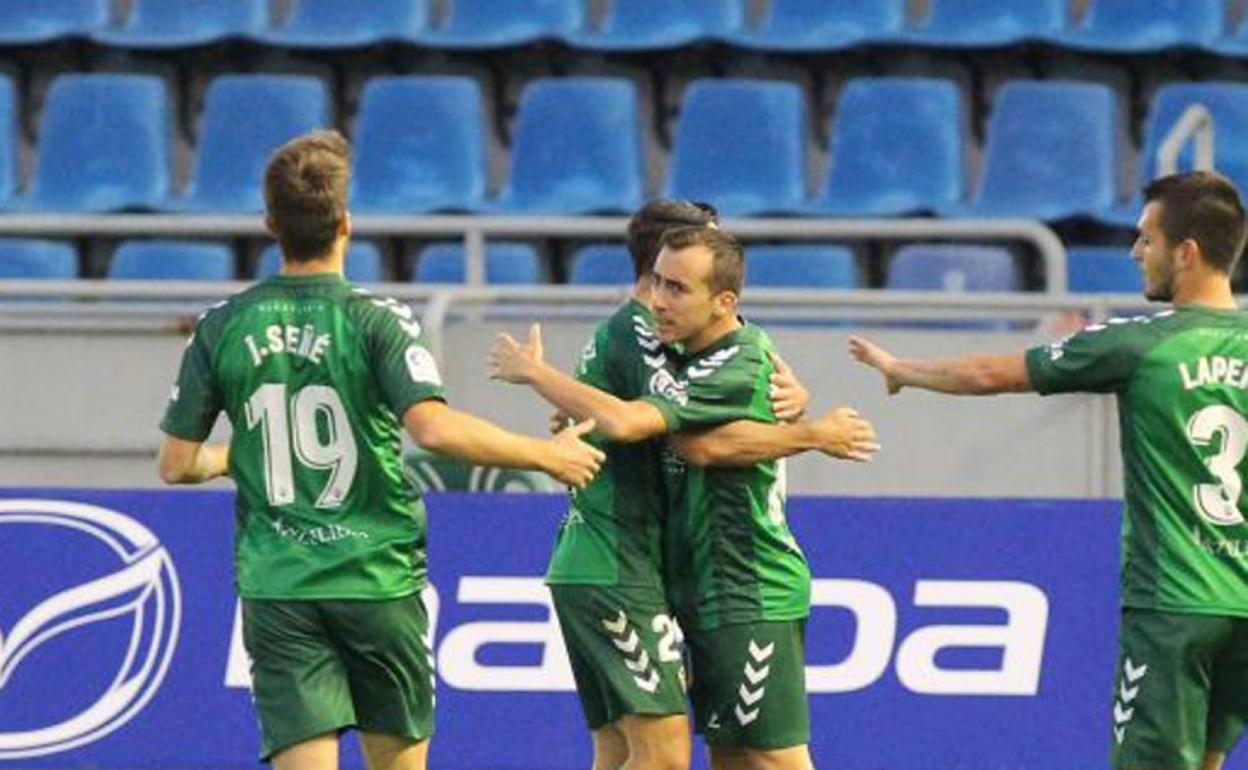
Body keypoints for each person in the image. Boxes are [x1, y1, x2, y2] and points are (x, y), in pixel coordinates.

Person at [155, 129, 604, 770]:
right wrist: (545, 454)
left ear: (269, 225)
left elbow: (176, 465)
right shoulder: (378, 320)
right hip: (375, 578)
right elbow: (434, 430)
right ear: (346, 223)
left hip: (279, 584)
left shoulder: (222, 326)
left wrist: (238, 454)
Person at [849, 170, 1248, 770]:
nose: (1136, 253)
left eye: (1147, 240)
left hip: (1174, 603)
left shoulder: (1140, 344)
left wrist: (904, 370)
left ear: (1186, 253)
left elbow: (993, 374)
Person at [492, 225, 878, 770]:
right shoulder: (660, 346)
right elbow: (639, 417)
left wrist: (538, 375)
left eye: (677, 288)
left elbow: (701, 444)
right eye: (657, 282)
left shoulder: (736, 359)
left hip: (749, 585)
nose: (659, 300)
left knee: (770, 760)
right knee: (714, 756)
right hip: (694, 584)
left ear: (724, 303)